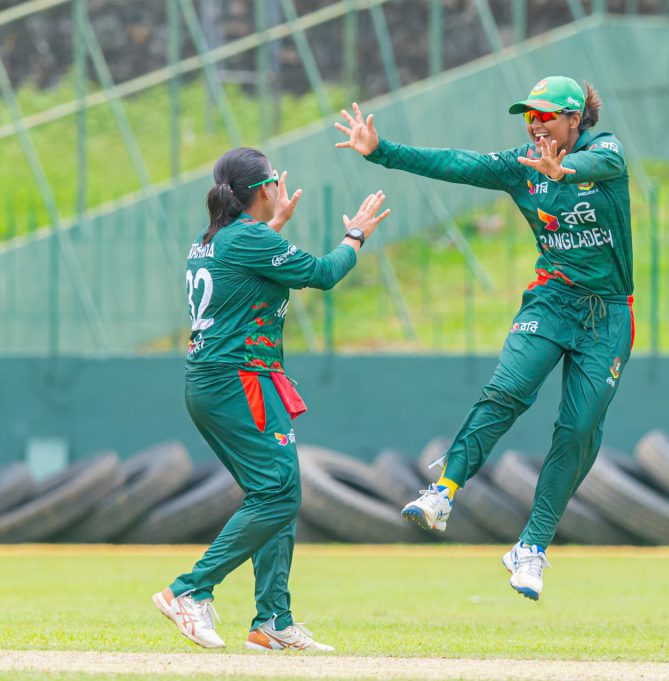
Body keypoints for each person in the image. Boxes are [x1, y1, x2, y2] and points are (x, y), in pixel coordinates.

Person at [334, 76, 634, 601]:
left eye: (545, 115)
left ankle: (531, 548)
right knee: (507, 391)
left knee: (580, 428)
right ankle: (442, 493)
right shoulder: (521, 165)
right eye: (529, 116)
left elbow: (598, 165)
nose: (535, 125)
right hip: (551, 300)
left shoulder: (604, 150)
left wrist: (563, 170)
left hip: (607, 315)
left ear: (574, 118)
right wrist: (382, 151)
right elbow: (457, 163)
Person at [153, 147, 389, 650]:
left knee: (275, 493)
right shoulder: (249, 239)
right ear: (264, 188)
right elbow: (322, 273)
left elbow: (246, 269)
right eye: (274, 180)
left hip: (220, 380)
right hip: (238, 380)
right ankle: (189, 590)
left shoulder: (213, 238)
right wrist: (356, 235)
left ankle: (272, 620)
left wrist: (275, 224)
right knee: (279, 493)